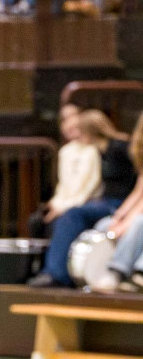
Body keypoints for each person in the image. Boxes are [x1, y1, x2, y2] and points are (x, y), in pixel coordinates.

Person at [30, 110, 139, 287]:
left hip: (117, 203)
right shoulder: (96, 151)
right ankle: (58, 272)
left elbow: (138, 188)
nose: (77, 135)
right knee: (55, 218)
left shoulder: (121, 148)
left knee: (73, 214)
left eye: (80, 131)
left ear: (90, 131)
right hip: (107, 202)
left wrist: (123, 214)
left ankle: (57, 274)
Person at [28, 103, 102, 237]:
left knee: (66, 218)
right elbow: (64, 186)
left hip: (86, 202)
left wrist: (65, 206)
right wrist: (56, 204)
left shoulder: (93, 149)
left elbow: (91, 185)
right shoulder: (65, 152)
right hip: (65, 204)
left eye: (73, 116)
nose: (70, 123)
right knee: (37, 221)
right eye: (65, 119)